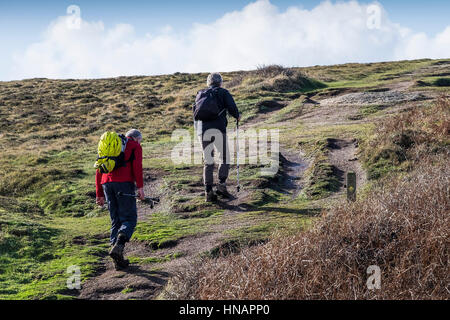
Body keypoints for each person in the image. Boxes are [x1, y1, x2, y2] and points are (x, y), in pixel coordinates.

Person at [95, 129, 145, 270]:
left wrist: (99, 193)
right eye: (140, 141)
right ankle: (119, 245)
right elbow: (137, 167)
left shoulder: (109, 145)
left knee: (115, 220)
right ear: (136, 138)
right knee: (129, 218)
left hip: (106, 183)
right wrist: (140, 188)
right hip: (124, 183)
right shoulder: (134, 146)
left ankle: (118, 260)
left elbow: (99, 168)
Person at [193, 73, 240, 202]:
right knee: (224, 157)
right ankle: (221, 185)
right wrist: (237, 116)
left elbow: (195, 113)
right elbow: (232, 107)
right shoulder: (223, 92)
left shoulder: (200, 93)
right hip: (218, 128)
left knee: (208, 160)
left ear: (208, 82)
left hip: (202, 130)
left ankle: (208, 191)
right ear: (220, 82)